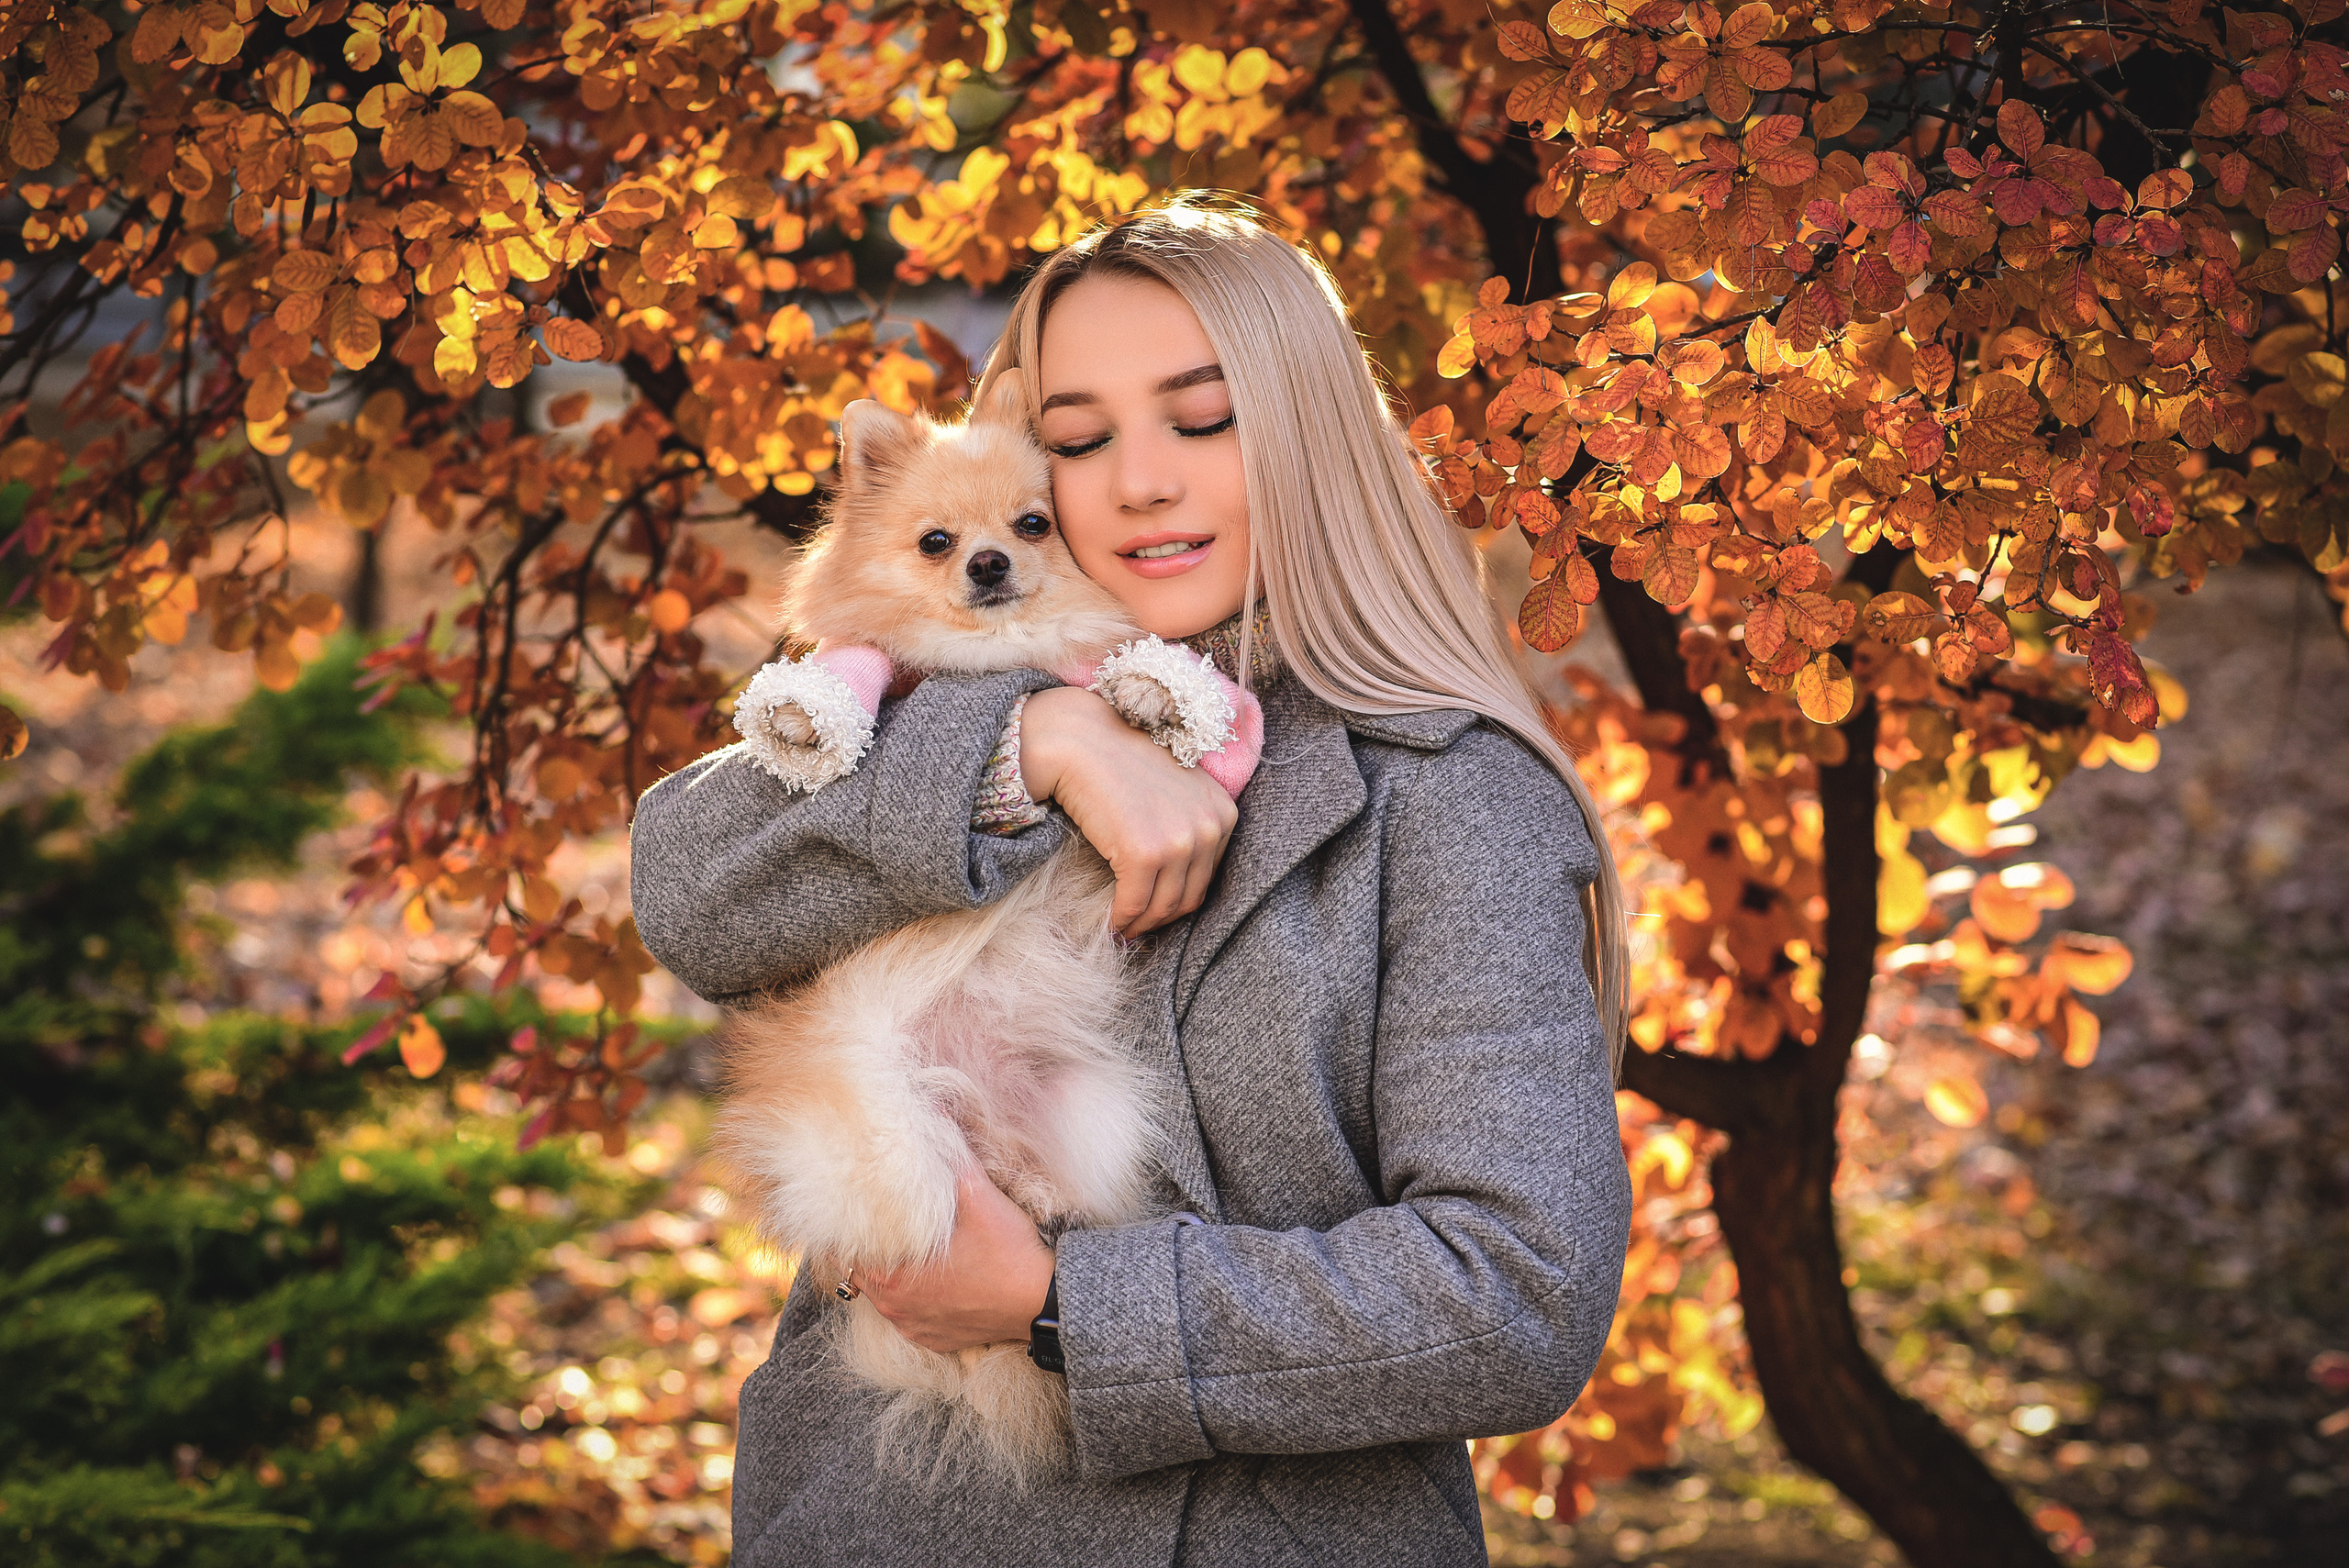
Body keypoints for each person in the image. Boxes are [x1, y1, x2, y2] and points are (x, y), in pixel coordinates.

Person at [629, 196, 1634, 1567]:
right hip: (872, 1520)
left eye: (1202, 420)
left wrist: (1059, 1302)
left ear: (1309, 439)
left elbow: (1519, 1294)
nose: (1137, 484)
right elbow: (688, 889)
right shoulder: (937, 706)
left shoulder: (1447, 795)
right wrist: (1029, 743)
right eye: (1082, 441)